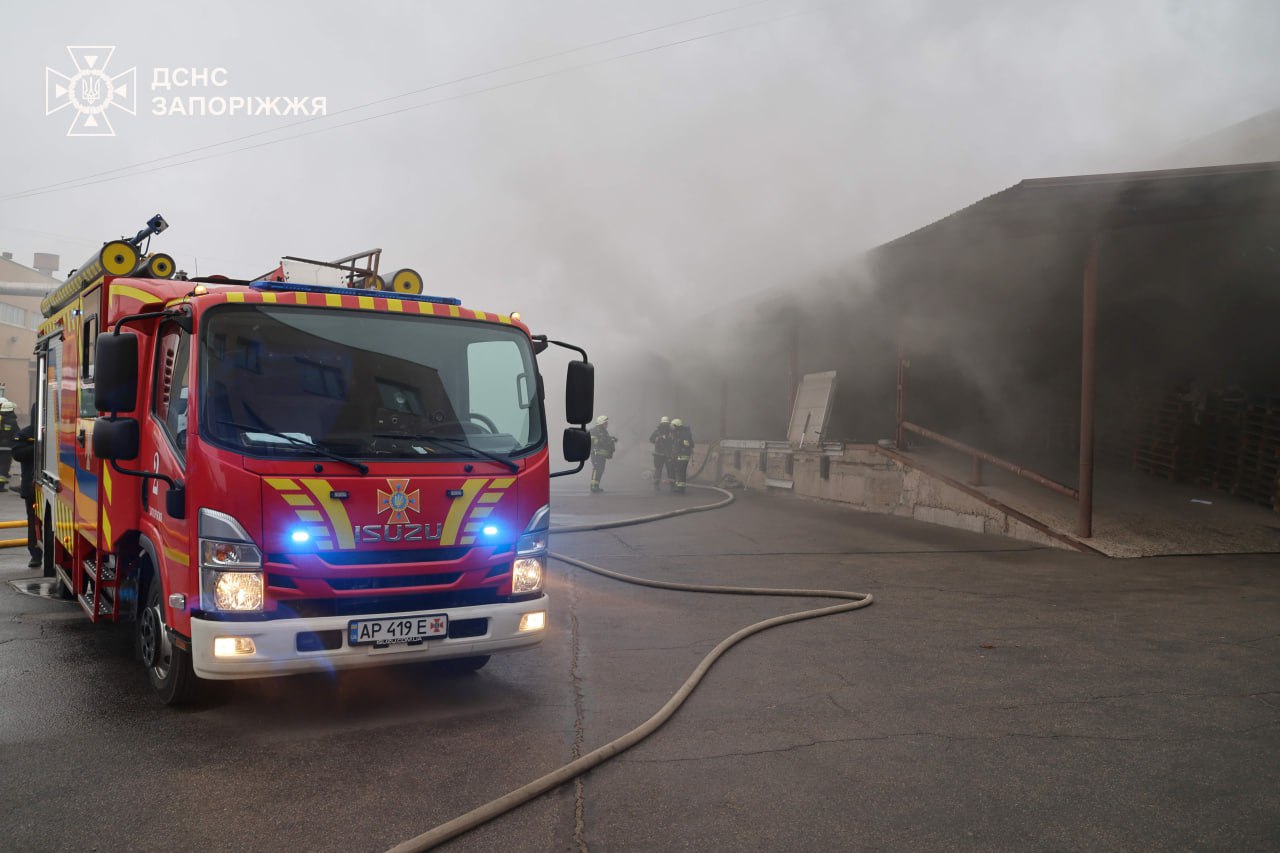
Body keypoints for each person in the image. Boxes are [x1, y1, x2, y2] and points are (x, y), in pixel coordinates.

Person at [12, 409, 40, 569]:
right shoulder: (25, 434)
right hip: (31, 487)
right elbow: (17, 454)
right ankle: (35, 555)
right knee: (33, 522)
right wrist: (37, 446)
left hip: (54, 488)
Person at [589, 414, 616, 493]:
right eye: (605, 423)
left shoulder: (604, 431)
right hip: (596, 454)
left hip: (602, 455)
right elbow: (593, 440)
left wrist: (612, 439)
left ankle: (596, 486)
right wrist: (602, 441)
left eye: (607, 423)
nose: (606, 425)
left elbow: (606, 440)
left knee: (601, 470)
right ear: (601, 423)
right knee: (597, 469)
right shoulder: (595, 430)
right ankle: (593, 486)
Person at [649, 416, 674, 490]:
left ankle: (656, 485)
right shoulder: (671, 431)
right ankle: (672, 485)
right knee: (670, 469)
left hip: (658, 454)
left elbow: (651, 439)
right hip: (668, 454)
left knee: (658, 469)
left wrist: (656, 440)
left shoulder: (657, 431)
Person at [670, 417, 693, 495]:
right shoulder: (679, 432)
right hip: (680, 455)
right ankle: (680, 487)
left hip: (683, 455)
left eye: (673, 426)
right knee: (680, 472)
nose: (672, 428)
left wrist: (680, 442)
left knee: (680, 472)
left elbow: (687, 443)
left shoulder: (684, 433)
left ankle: (680, 488)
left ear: (677, 426)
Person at [0, 399, 17, 492]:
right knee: (3, 467)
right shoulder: (12, 421)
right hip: (6, 448)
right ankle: (0, 487)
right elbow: (17, 434)